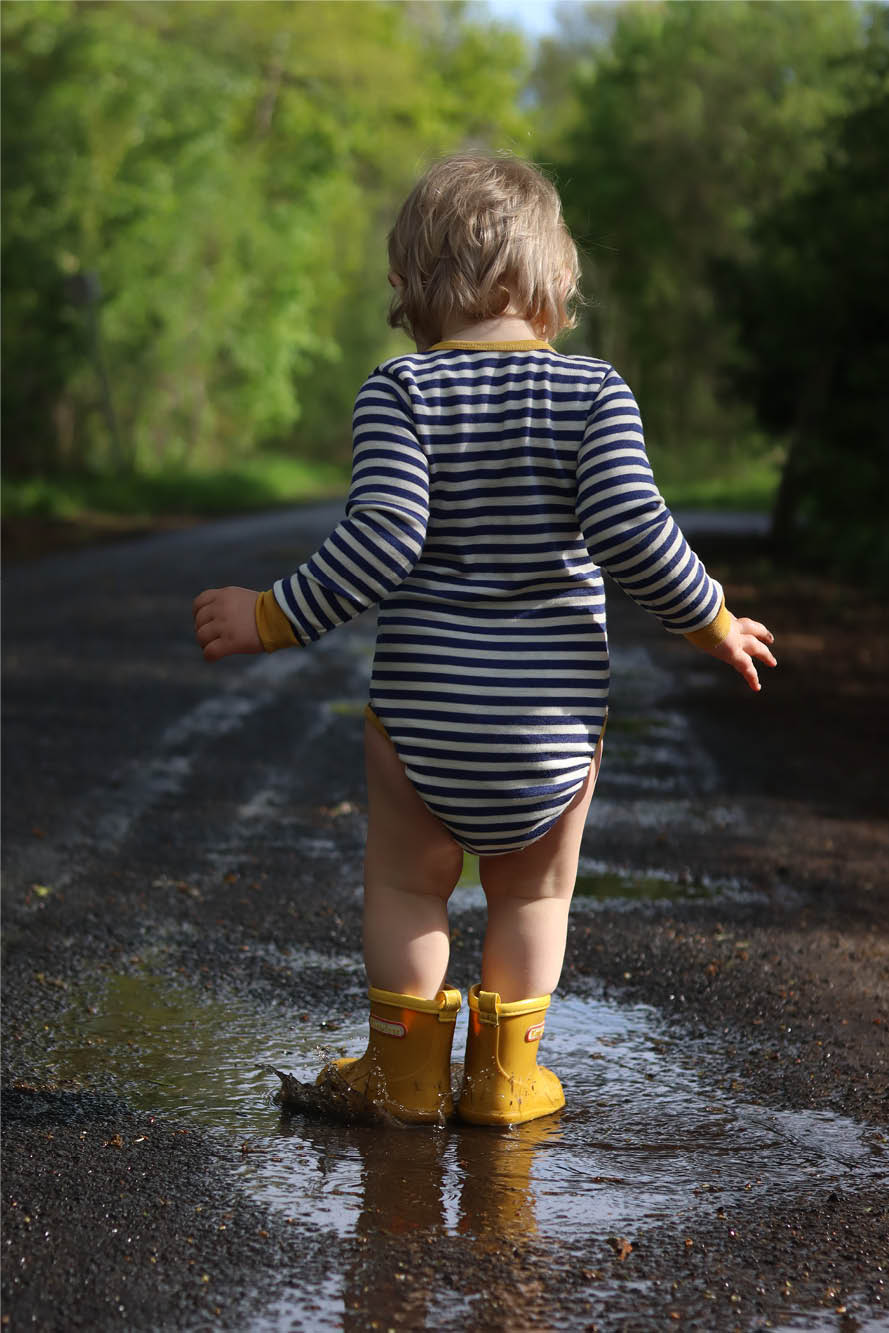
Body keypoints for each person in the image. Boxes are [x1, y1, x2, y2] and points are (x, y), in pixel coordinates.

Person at [193, 153, 776, 1127]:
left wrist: (269, 615)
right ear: (553, 283)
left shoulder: (400, 392)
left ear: (411, 286)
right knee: (532, 899)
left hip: (423, 722)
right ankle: (504, 1082)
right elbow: (636, 533)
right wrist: (709, 617)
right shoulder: (594, 395)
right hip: (551, 731)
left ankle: (406, 1078)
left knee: (405, 887)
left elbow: (381, 540)